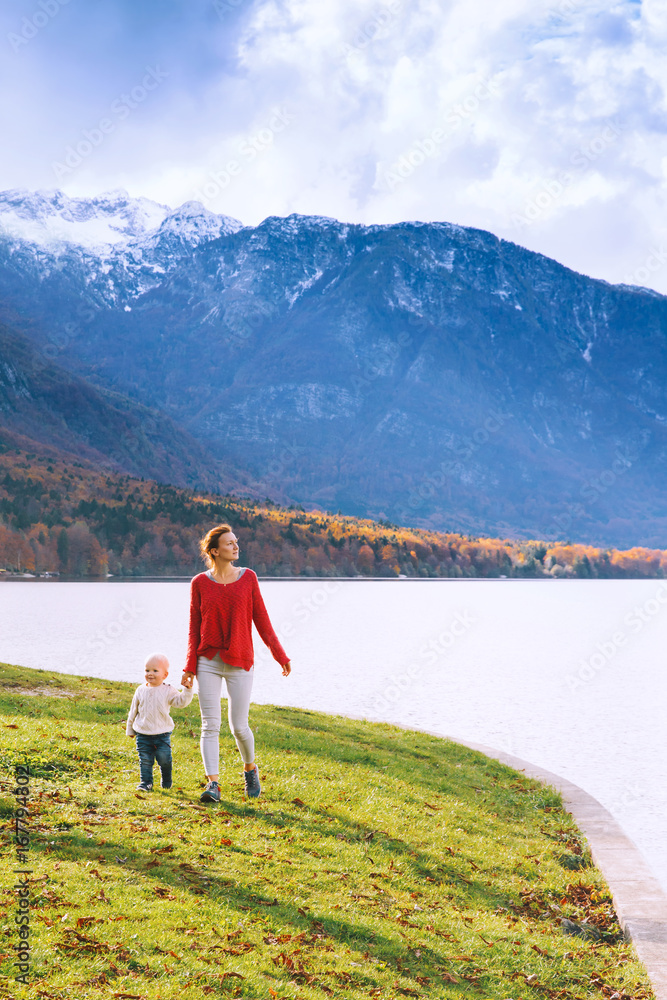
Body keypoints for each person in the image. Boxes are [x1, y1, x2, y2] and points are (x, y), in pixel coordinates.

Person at [181, 523, 291, 803]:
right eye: (229, 543)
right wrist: (189, 667)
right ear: (214, 551)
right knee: (209, 725)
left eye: (236, 541)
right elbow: (194, 627)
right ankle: (213, 785)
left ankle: (250, 769)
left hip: (241, 660)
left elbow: (262, 621)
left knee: (239, 726)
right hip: (208, 660)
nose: (236, 546)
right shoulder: (199, 583)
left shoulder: (249, 578)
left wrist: (280, 655)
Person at [126, 652, 194, 791]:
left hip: (162, 734)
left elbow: (180, 702)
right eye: (147, 670)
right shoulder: (140, 690)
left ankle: (167, 779)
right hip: (143, 733)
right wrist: (130, 728)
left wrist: (187, 690)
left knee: (164, 760)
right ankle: (146, 783)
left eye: (155, 671)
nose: (150, 673)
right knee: (145, 760)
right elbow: (134, 710)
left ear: (165, 675)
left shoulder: (168, 690)